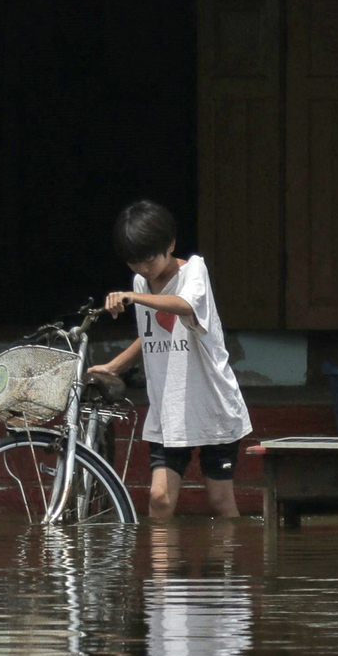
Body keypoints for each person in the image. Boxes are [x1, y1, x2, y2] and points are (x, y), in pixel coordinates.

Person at [89, 201, 254, 521]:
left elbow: (182, 306)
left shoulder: (194, 271)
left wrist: (134, 297)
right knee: (160, 498)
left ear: (170, 246)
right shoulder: (140, 282)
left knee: (220, 501)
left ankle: (226, 570)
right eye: (134, 262)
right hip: (169, 409)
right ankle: (162, 572)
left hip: (212, 407)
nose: (143, 270)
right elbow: (151, 335)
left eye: (149, 259)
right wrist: (114, 366)